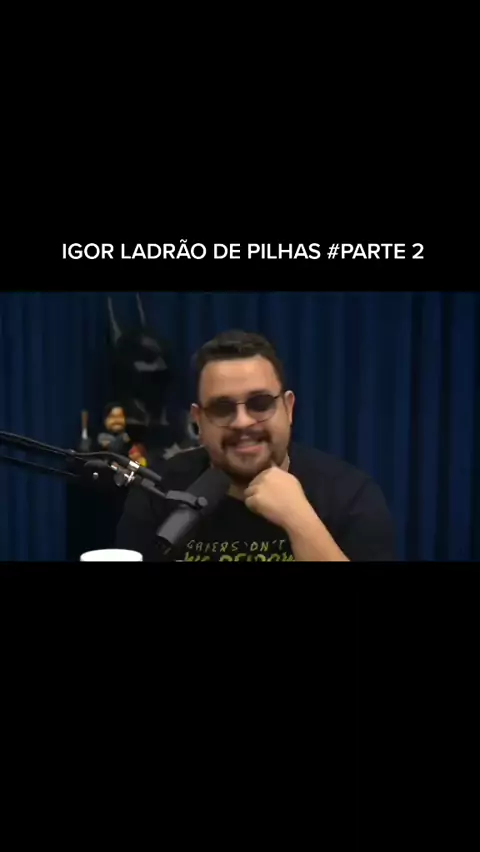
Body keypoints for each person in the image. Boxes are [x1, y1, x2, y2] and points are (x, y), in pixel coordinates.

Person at [115, 330, 395, 566]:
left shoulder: (349, 495)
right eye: (222, 408)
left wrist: (300, 522)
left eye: (260, 404)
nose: (242, 422)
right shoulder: (157, 493)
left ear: (288, 408)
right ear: (199, 421)